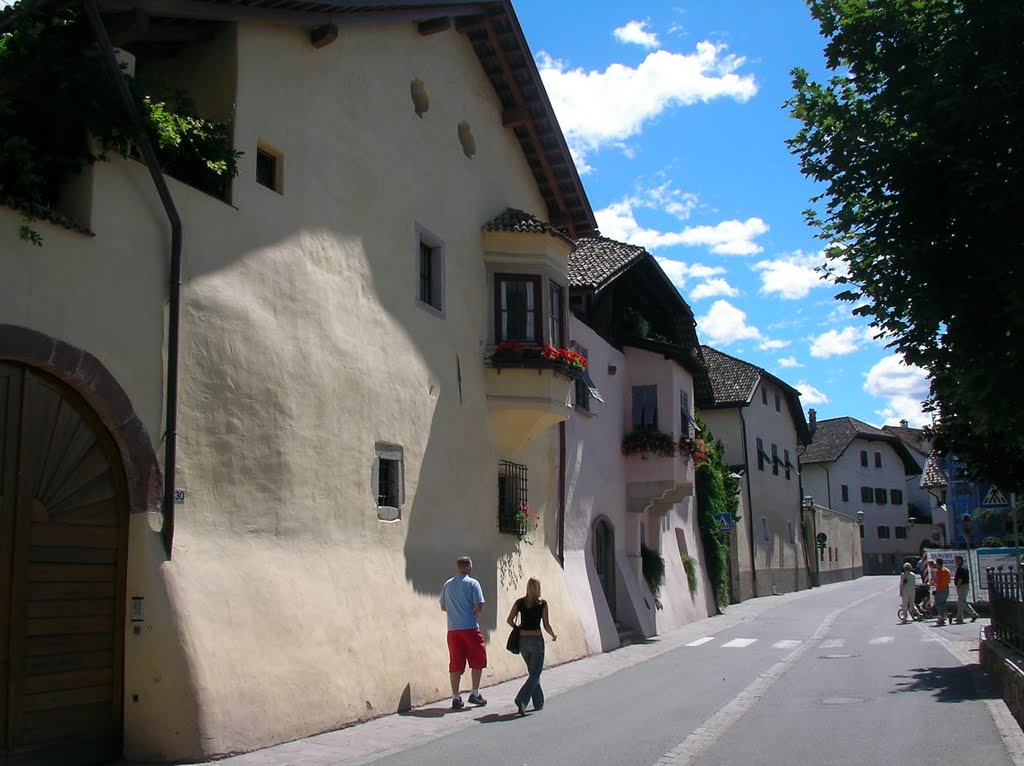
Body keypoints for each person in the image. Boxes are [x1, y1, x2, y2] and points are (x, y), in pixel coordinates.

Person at [440, 555, 487, 709]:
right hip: (470, 627)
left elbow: (443, 606)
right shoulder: (473, 583)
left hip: (453, 630)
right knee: (478, 659)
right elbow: (479, 607)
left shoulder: (448, 584)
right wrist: (474, 612)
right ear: (468, 567)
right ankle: (475, 693)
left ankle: (456, 697)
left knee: (455, 663)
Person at [506, 577, 557, 716]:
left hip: (522, 640)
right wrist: (553, 635)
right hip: (536, 640)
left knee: (533, 672)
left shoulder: (520, 602)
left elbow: (509, 619)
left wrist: (517, 627)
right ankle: (522, 699)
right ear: (538, 588)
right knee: (536, 673)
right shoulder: (542, 604)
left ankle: (538, 703)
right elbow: (546, 625)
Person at [953, 555, 980, 624]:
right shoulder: (962, 567)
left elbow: (961, 578)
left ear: (960, 560)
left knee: (962, 602)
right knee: (959, 602)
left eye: (956, 560)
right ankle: (959, 617)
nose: (955, 562)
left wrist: (958, 584)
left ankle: (973, 614)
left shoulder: (962, 568)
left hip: (962, 586)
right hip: (963, 586)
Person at [932, 557, 952, 626]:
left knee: (938, 604)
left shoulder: (938, 571)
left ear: (937, 563)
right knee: (943, 603)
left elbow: (936, 581)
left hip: (939, 589)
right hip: (946, 588)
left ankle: (941, 618)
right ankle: (946, 615)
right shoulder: (947, 570)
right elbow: (949, 580)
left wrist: (933, 582)